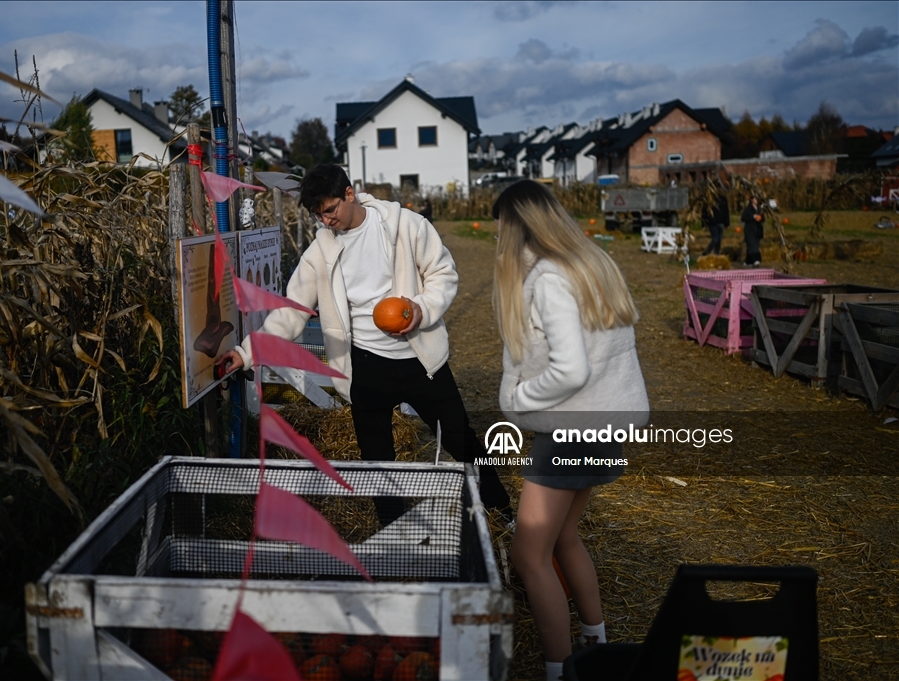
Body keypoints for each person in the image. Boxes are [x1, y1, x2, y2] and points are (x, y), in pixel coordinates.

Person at [218, 164, 511, 524]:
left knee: (460, 439)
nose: (326, 221)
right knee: (377, 458)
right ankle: (392, 531)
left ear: (349, 194)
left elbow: (443, 273)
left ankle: (502, 512)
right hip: (365, 365)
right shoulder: (319, 254)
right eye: (318, 215)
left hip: (421, 358)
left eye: (330, 210)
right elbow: (290, 314)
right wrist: (247, 353)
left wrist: (421, 309)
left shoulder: (405, 225)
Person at [491, 181, 649, 681]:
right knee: (565, 537)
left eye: (502, 229)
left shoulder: (549, 279)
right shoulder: (592, 264)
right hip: (609, 424)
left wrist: (518, 399)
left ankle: (560, 671)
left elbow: (572, 370)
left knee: (528, 553)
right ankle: (595, 639)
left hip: (573, 429)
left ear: (517, 228)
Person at [701, 190, 730, 256]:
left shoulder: (723, 199)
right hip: (712, 223)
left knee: (719, 239)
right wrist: (704, 224)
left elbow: (726, 211)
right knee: (715, 238)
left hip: (721, 222)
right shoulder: (709, 199)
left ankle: (717, 253)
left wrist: (727, 223)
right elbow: (704, 212)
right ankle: (707, 251)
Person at [741, 195, 764, 266]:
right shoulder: (748, 209)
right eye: (755, 199)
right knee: (752, 244)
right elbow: (743, 218)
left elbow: (763, 218)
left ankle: (748, 261)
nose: (756, 200)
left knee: (755, 244)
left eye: (757, 199)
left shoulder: (759, 209)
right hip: (750, 229)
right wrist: (752, 217)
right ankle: (756, 259)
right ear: (751, 200)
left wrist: (760, 218)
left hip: (757, 229)